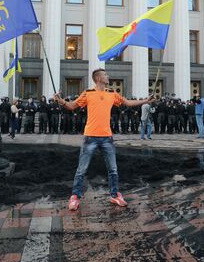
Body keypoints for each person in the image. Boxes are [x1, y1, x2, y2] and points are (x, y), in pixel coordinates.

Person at [55, 69, 154, 211]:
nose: (108, 76)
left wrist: (146, 100)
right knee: (81, 170)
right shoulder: (88, 93)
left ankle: (115, 195)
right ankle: (75, 197)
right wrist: (62, 102)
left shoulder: (111, 93)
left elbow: (127, 102)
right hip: (90, 137)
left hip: (107, 137)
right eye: (105, 74)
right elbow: (72, 106)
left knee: (113, 169)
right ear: (98, 78)